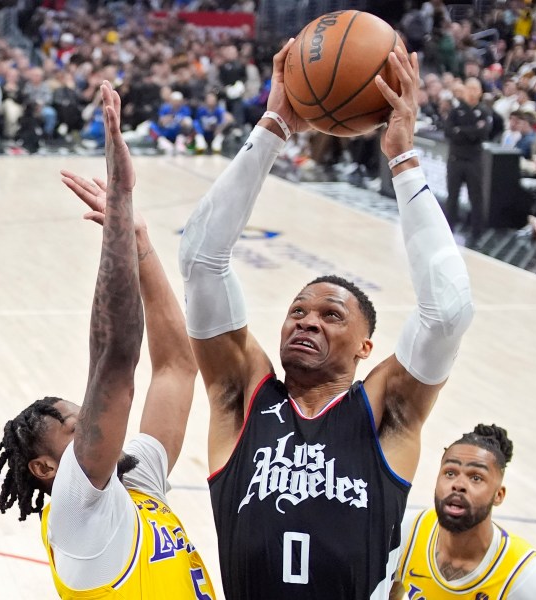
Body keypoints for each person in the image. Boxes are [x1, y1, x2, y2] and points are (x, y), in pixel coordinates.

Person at [178, 43, 474, 599]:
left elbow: (448, 311)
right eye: (297, 312)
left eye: (331, 315)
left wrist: (404, 160)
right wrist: (272, 125)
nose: (306, 321)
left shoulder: (386, 411)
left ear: (367, 348)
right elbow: (200, 260)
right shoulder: (244, 394)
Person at [0, 83, 217, 600]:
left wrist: (140, 244)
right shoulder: (77, 512)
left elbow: (177, 366)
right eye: (77, 425)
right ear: (46, 469)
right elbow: (115, 360)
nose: (94, 424)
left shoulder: (136, 484)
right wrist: (120, 208)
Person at [390, 424, 536, 599]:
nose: (458, 485)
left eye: (476, 477)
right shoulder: (407, 532)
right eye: (450, 473)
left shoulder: (527, 578)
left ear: (499, 495)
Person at [445, 77, 492, 246]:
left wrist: (462, 131)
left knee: (476, 198)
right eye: (469, 88)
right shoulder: (456, 111)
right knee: (452, 197)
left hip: (474, 160)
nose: (472, 92)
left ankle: (477, 234)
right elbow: (449, 132)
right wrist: (471, 131)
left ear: (480, 92)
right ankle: (447, 231)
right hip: (455, 159)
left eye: (475, 88)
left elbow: (483, 133)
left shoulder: (484, 111)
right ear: (464, 90)